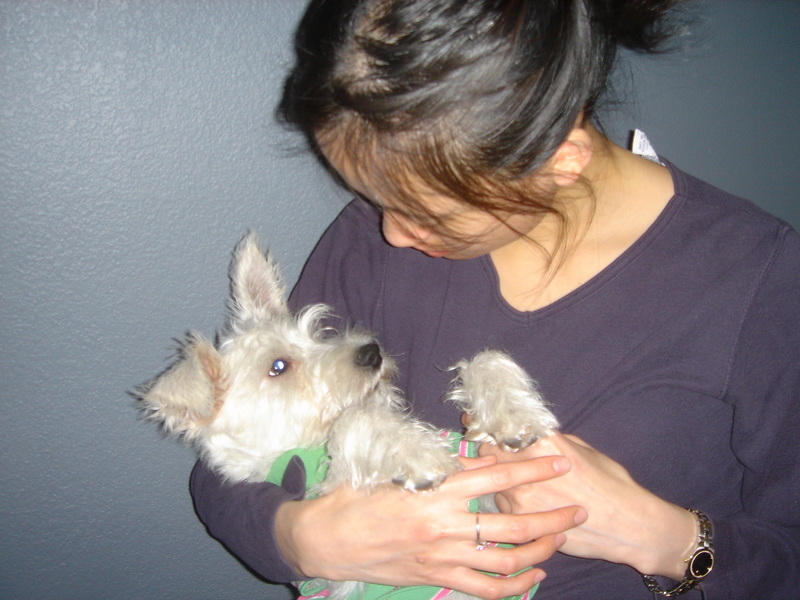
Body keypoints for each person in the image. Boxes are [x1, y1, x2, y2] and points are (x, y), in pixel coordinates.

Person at [190, 0, 800, 598]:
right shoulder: (369, 239)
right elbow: (228, 462)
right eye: (376, 197)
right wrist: (303, 538)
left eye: (428, 214)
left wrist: (665, 539)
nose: (391, 233)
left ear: (562, 161)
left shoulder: (758, 277)